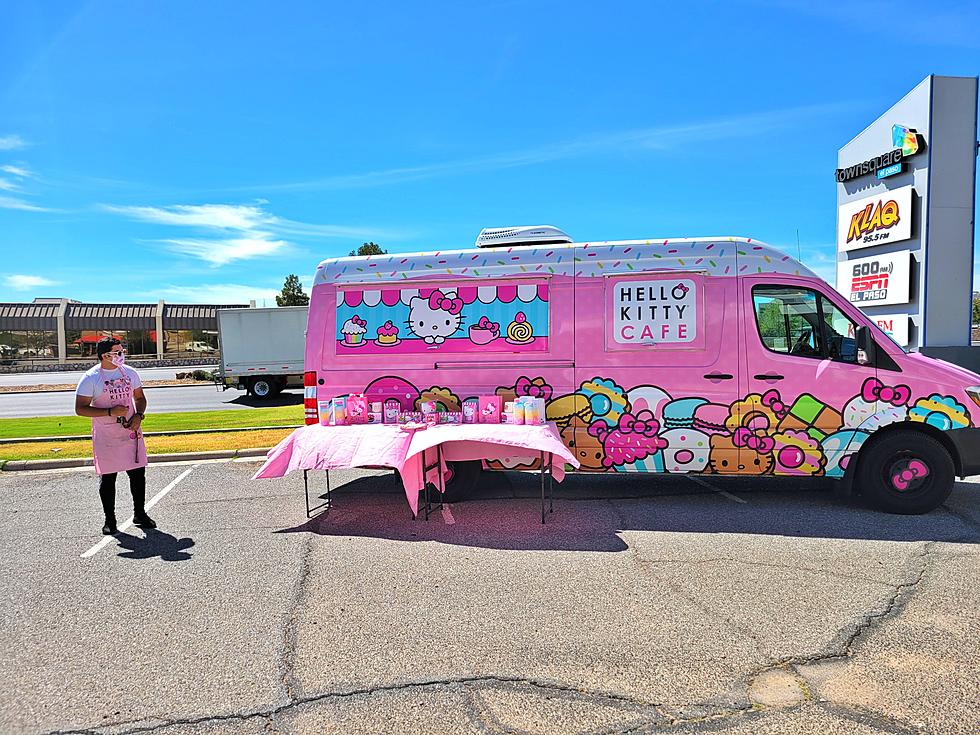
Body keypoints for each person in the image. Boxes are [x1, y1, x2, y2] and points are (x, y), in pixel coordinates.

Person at [74, 337, 155, 535]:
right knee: (108, 479)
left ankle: (139, 513)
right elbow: (80, 409)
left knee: (137, 474)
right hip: (106, 435)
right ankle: (110, 520)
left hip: (130, 431)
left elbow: (140, 398)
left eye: (122, 351)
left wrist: (138, 416)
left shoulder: (130, 373)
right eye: (117, 352)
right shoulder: (91, 378)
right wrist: (110, 412)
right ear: (105, 355)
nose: (122, 355)